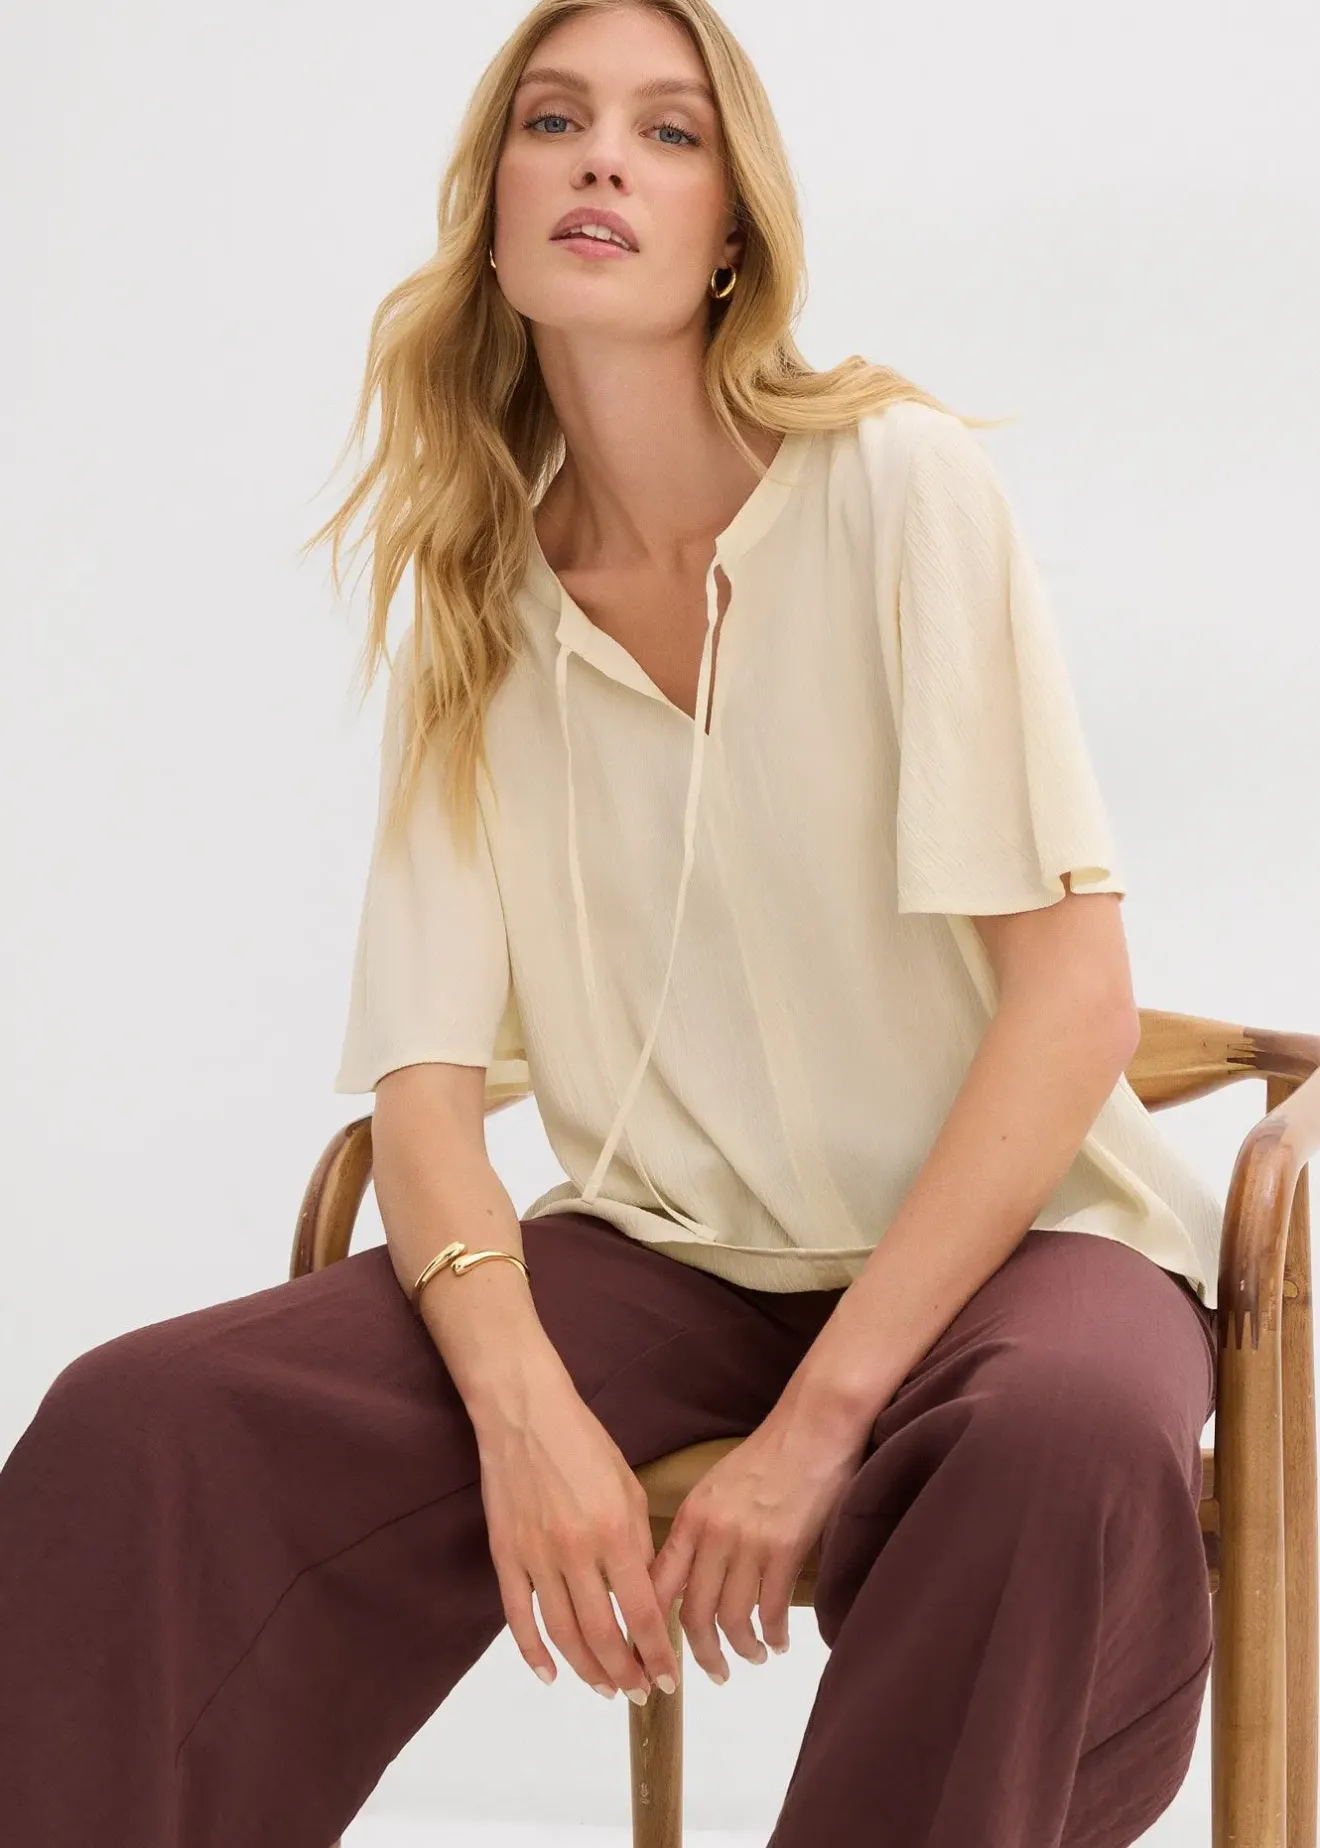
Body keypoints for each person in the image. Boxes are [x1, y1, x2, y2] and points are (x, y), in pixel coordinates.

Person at [0, 2, 1224, 1843]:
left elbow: (1073, 1001)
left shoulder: (894, 486)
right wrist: (525, 1418)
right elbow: (425, 1088)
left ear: (733, 228)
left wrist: (819, 1423)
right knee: (143, 1426)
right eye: (554, 120)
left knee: (1061, 1441)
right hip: (670, 1256)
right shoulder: (478, 599)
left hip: (1026, 1243)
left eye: (668, 132)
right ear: (494, 213)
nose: (600, 159)